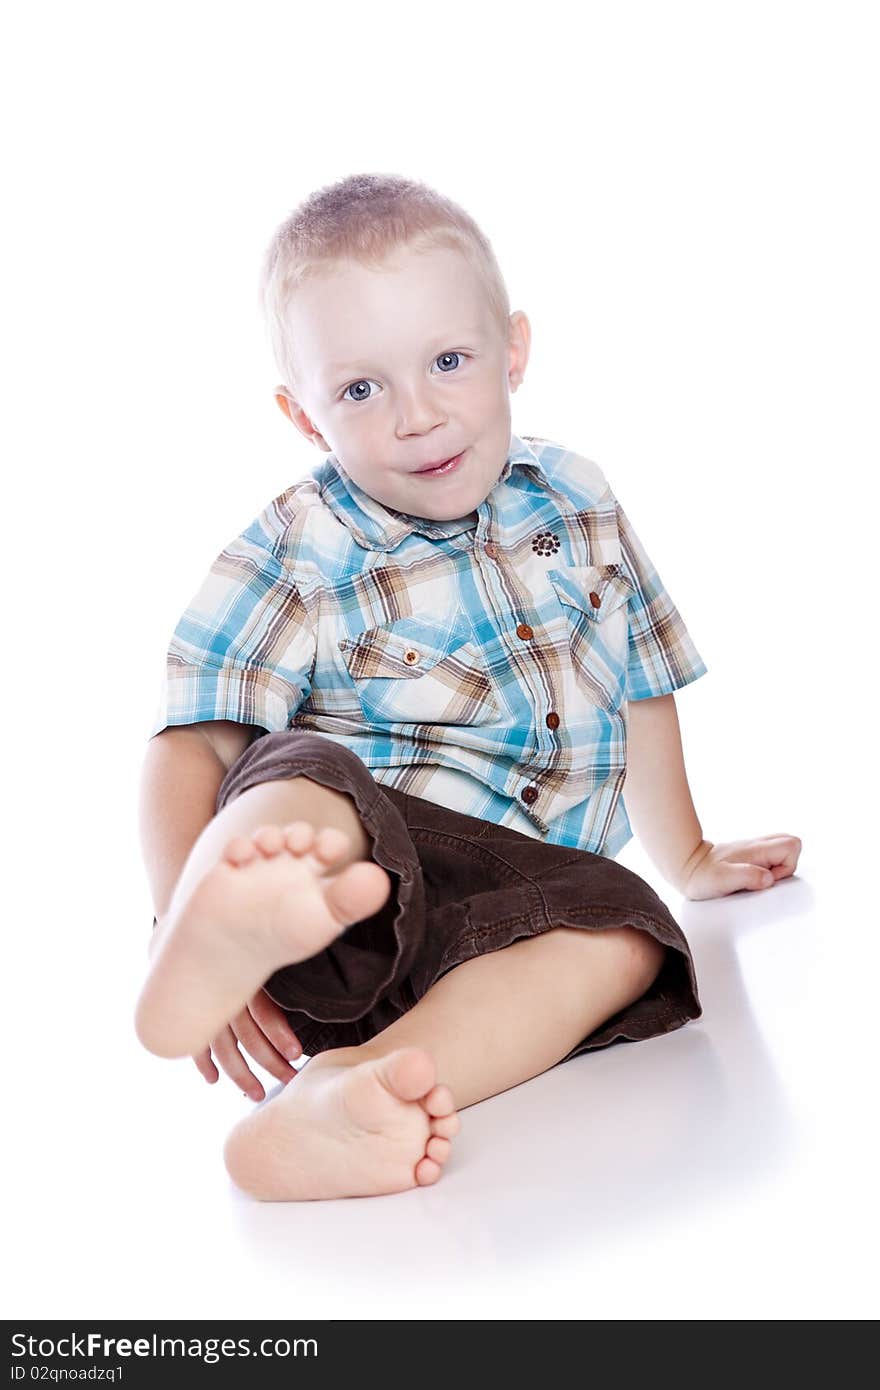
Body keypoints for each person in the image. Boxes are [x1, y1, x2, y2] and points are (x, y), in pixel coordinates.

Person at [136, 172, 801, 1201]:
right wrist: (175, 913)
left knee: (628, 935)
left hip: (511, 911)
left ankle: (351, 1094)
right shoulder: (300, 548)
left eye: (449, 361)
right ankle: (223, 920)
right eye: (360, 390)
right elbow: (190, 742)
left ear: (514, 350)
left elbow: (641, 678)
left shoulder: (576, 499)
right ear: (302, 415)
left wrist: (690, 854)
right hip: (336, 913)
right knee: (297, 771)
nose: (417, 415)